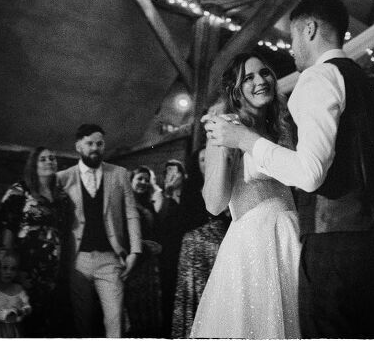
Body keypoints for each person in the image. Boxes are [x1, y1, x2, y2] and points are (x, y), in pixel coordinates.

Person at [204, 0, 374, 338]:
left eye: (291, 38)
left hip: (330, 248)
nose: (291, 50)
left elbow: (310, 174)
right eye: (248, 78)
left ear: (310, 29)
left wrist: (246, 141)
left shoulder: (317, 79)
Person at [191, 52, 300, 338]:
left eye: (264, 73)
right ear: (235, 91)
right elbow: (214, 204)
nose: (260, 81)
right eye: (248, 78)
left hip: (290, 235)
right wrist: (225, 147)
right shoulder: (226, 126)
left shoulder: (282, 126)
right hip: (254, 243)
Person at [56, 124, 142, 337]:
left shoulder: (119, 174)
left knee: (115, 320)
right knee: (82, 322)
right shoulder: (63, 178)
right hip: (78, 260)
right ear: (78, 146)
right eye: (90, 143)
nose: (95, 148)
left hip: (110, 259)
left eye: (99, 143)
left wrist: (135, 252)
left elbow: (131, 213)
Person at [0, 146, 68, 336]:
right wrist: (9, 263)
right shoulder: (20, 190)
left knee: (49, 318)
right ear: (33, 164)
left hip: (53, 269)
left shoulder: (62, 195)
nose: (49, 162)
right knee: (27, 317)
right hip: (26, 265)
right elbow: (8, 225)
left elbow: (65, 230)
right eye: (43, 159)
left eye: (52, 158)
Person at [169, 150, 230, 338]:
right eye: (203, 159)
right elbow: (183, 221)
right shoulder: (191, 188)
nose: (207, 162)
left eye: (211, 158)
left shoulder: (227, 182)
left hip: (220, 248)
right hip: (196, 250)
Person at [123, 166, 162, 337]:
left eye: (147, 180)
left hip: (148, 265)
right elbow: (122, 234)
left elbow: (156, 231)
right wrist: (145, 245)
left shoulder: (148, 203)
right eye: (140, 178)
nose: (143, 182)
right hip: (133, 262)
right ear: (131, 180)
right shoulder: (124, 203)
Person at [0, 250, 32, 337]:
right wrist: (4, 315)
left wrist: (23, 311)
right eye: (4, 268)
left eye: (13, 269)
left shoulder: (19, 289)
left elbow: (27, 306)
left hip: (16, 331)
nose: (9, 272)